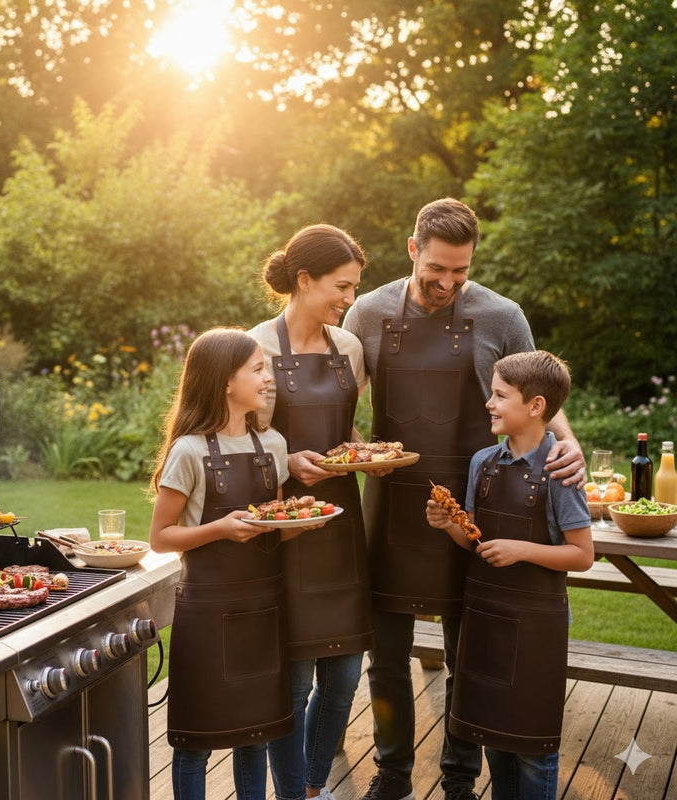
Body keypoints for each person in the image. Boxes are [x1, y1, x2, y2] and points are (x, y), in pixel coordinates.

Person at [342, 198, 586, 800]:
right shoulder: (367, 313)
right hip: (391, 503)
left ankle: (458, 777)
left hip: (476, 506)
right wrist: (354, 450)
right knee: (387, 656)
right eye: (437, 270)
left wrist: (571, 446)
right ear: (412, 250)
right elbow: (340, 409)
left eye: (461, 271)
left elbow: (538, 399)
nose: (448, 283)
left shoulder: (502, 316)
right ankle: (394, 772)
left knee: (467, 655)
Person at [426, 350, 594, 800]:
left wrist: (522, 550)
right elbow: (475, 540)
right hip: (485, 616)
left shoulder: (559, 472)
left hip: (536, 625)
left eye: (500, 395)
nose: (490, 403)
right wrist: (449, 525)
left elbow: (582, 555)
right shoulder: (483, 462)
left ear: (535, 406)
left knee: (533, 744)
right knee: (493, 733)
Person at [248, 224, 377, 800]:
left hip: (343, 523)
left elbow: (344, 430)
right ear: (304, 281)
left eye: (354, 289)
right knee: (295, 681)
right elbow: (236, 444)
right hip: (286, 529)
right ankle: (296, 791)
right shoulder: (255, 349)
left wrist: (366, 453)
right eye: (341, 287)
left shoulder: (347, 347)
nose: (349, 301)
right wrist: (284, 461)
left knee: (346, 676)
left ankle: (311, 786)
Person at [149, 327, 294, 800]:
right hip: (207, 612)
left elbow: (271, 520)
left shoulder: (271, 444)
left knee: (255, 734)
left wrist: (300, 523)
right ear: (225, 382)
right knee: (196, 739)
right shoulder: (188, 451)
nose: (268, 378)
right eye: (257, 369)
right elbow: (161, 537)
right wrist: (219, 529)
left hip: (263, 606)